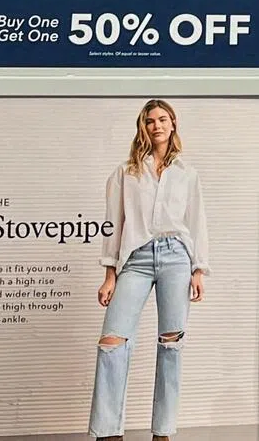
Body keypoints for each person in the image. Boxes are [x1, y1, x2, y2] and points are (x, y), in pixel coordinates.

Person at [89, 99, 208, 441]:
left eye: (162, 119)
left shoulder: (187, 173)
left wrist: (199, 268)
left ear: (173, 124)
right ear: (143, 127)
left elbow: (197, 222)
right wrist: (110, 273)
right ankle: (109, 432)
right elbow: (113, 223)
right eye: (150, 120)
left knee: (171, 345)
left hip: (176, 257)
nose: (156, 125)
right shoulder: (126, 172)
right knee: (112, 341)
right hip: (136, 259)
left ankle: (163, 432)